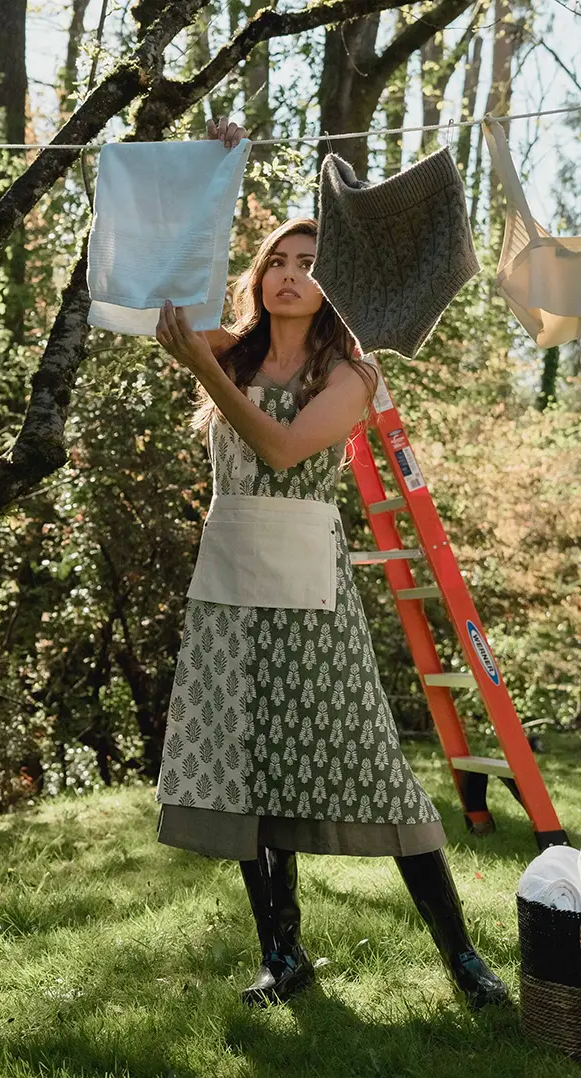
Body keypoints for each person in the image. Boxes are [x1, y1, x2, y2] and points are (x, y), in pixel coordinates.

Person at [153, 116, 509, 1012]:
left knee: (373, 769)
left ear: (333, 285)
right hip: (227, 590)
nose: (289, 275)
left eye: (309, 264)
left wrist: (205, 372)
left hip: (312, 597)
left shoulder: (350, 376)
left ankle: (462, 957)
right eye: (278, 259)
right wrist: (218, 162)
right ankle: (285, 955)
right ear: (259, 274)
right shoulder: (226, 350)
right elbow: (165, 275)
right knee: (250, 776)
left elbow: (278, 451)